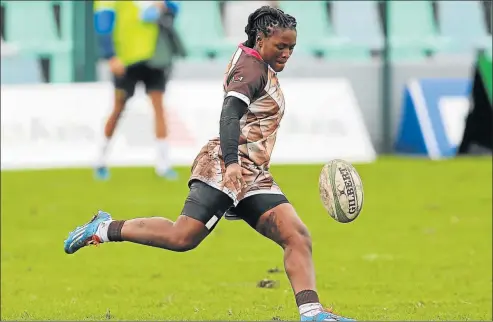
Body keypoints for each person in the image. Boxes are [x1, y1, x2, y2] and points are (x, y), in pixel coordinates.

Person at [64, 6, 354, 322]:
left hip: (252, 173)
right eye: (280, 46)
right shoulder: (251, 71)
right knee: (182, 237)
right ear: (260, 38)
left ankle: (312, 313)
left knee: (296, 235)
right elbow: (229, 114)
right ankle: (104, 228)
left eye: (291, 48)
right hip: (224, 166)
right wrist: (230, 164)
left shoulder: (256, 61)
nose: (286, 53)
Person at [93, 0, 184, 181]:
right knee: (118, 108)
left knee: (159, 107)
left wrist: (163, 5)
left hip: (154, 58)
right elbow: (103, 23)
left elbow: (174, 8)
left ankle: (163, 164)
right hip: (126, 59)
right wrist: (110, 55)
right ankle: (101, 159)